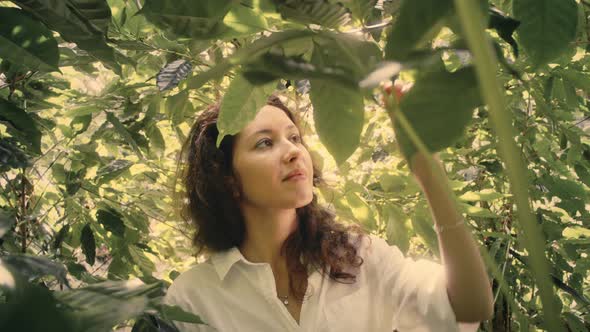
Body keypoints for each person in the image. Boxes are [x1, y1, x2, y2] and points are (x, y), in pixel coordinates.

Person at [165, 94, 493, 331]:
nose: (293, 151)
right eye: (265, 143)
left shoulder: (358, 257)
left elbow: (470, 308)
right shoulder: (194, 299)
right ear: (227, 179)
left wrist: (434, 183)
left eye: (294, 137)